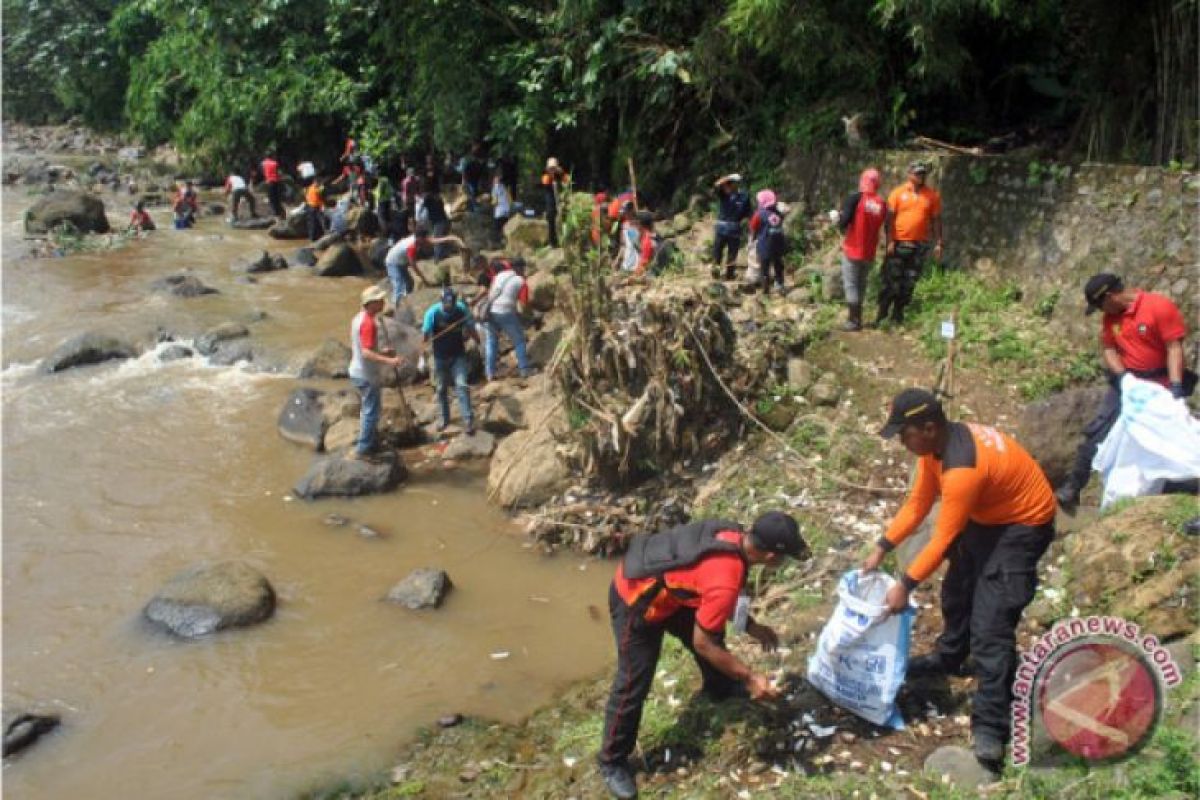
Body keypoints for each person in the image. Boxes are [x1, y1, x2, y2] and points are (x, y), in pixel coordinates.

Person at [861, 388, 1056, 771]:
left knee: (992, 626)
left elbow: (944, 536)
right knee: (957, 591)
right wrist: (883, 547)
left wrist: (906, 584)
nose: (902, 442)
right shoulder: (935, 451)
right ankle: (950, 655)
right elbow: (918, 504)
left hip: (1023, 525)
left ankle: (991, 726)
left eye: (905, 434)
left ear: (929, 428)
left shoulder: (961, 468)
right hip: (988, 517)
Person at [597, 512, 808, 800]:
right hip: (637, 600)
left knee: (713, 627)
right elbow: (704, 644)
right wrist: (750, 678)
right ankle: (611, 761)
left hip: (673, 593)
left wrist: (752, 626)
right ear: (771, 556)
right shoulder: (725, 577)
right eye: (784, 558)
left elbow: (725, 592)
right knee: (633, 683)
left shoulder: (734, 537)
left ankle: (718, 686)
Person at [1054, 274, 1194, 511]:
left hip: (1159, 385)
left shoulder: (1157, 307)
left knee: (1167, 439)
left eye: (1100, 305)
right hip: (1127, 384)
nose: (1100, 312)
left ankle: (1172, 491)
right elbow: (1109, 349)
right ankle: (1073, 487)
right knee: (1097, 432)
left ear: (1109, 297)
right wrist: (1122, 377)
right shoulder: (1111, 318)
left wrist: (1176, 386)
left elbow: (1174, 348)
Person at [879, 161, 943, 325]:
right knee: (891, 280)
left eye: (923, 174)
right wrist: (890, 241)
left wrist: (939, 243)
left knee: (909, 281)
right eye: (917, 173)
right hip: (899, 244)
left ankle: (898, 314)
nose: (921, 176)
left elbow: (936, 220)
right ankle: (882, 313)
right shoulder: (898, 193)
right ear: (909, 174)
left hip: (919, 246)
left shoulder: (932, 196)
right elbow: (889, 219)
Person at [347, 285, 404, 462]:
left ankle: (369, 442)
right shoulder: (368, 323)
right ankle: (363, 449)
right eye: (379, 300)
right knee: (371, 411)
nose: (382, 302)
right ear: (371, 303)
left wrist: (383, 350)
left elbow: (366, 347)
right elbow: (366, 352)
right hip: (366, 374)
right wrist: (390, 361)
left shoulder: (359, 318)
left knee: (369, 409)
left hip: (358, 370)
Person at [422, 287, 479, 436]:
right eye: (446, 304)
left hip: (457, 355)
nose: (449, 306)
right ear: (441, 301)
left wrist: (477, 339)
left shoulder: (461, 310)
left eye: (451, 303)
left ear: (454, 301)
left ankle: (468, 420)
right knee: (441, 389)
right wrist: (424, 349)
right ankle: (444, 419)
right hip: (440, 356)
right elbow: (426, 335)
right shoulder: (432, 313)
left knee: (462, 385)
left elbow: (470, 326)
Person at [837, 167, 887, 331]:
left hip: (853, 248)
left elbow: (843, 222)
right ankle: (859, 318)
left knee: (851, 284)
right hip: (869, 251)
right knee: (862, 284)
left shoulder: (855, 198)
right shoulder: (881, 203)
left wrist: (837, 219)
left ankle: (853, 320)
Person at [480, 259, 534, 380]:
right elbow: (524, 303)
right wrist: (527, 317)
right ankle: (524, 369)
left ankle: (489, 373)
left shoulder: (498, 275)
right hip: (505, 312)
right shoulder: (521, 280)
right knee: (519, 340)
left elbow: (491, 293)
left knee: (491, 342)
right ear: (521, 268)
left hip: (490, 312)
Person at [713, 174, 752, 280]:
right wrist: (727, 178)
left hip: (734, 229)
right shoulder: (723, 194)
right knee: (717, 251)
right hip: (722, 228)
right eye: (729, 184)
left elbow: (748, 213)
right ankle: (715, 273)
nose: (729, 186)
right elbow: (716, 185)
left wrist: (751, 229)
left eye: (733, 183)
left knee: (732, 253)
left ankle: (729, 275)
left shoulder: (744, 196)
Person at [749, 189, 787, 294]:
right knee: (778, 266)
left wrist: (751, 241)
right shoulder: (779, 213)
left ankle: (765, 289)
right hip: (778, 246)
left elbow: (753, 228)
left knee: (764, 268)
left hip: (764, 246)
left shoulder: (758, 214)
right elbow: (786, 212)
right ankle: (780, 285)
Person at [542, 157, 569, 247]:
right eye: (551, 168)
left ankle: (566, 239)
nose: (552, 170)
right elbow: (545, 183)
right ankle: (552, 241)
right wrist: (551, 176)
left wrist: (561, 173)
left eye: (554, 168)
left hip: (562, 197)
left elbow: (568, 181)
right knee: (550, 215)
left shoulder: (560, 174)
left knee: (565, 215)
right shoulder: (545, 175)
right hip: (551, 197)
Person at [461, 143, 486, 213]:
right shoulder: (468, 160)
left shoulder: (476, 158)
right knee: (472, 193)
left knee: (473, 193)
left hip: (474, 179)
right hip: (470, 179)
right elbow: (465, 171)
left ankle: (474, 207)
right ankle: (473, 207)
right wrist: (464, 181)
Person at [262, 152, 285, 219]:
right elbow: (279, 172)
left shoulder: (263, 163)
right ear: (272, 156)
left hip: (269, 182)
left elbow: (263, 171)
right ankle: (280, 213)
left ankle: (276, 214)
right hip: (276, 181)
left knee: (272, 199)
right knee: (276, 198)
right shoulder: (275, 163)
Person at [491, 172, 512, 244]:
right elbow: (510, 200)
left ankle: (497, 243)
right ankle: (506, 242)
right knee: (505, 227)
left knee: (496, 229)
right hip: (506, 211)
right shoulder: (505, 188)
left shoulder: (495, 188)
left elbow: (495, 201)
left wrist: (490, 203)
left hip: (499, 212)